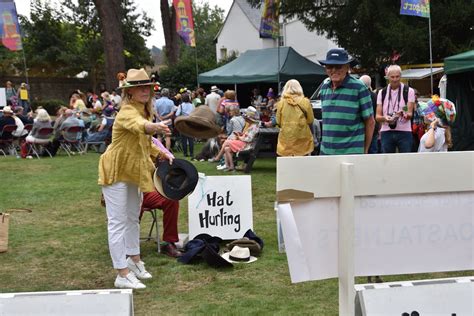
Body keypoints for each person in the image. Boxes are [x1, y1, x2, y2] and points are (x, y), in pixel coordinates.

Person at [98, 68, 172, 290]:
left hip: (133, 172)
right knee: (117, 222)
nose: (144, 90)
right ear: (129, 92)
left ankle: (135, 260)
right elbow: (140, 127)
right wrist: (154, 127)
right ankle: (121, 273)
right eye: (138, 87)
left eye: (146, 87)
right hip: (116, 171)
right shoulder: (127, 112)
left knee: (132, 218)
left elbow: (145, 142)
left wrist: (163, 153)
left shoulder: (144, 111)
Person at [318, 48, 375, 155]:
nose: (334, 70)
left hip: (351, 152)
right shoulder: (324, 87)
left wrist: (365, 149)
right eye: (330, 66)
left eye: (338, 66)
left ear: (347, 68)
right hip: (326, 152)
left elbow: (370, 122)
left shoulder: (359, 87)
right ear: (325, 68)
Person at [375, 65, 415, 153]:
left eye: (397, 76)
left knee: (405, 159)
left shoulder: (409, 91)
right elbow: (377, 116)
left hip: (404, 131)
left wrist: (402, 114)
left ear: (401, 76)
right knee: (387, 160)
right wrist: (385, 118)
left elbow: (409, 114)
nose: (395, 79)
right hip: (386, 131)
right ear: (387, 77)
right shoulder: (382, 92)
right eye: (392, 77)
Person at [212, 106, 260, 172]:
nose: (245, 119)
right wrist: (240, 135)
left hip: (247, 145)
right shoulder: (251, 125)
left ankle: (218, 157)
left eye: (246, 118)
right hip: (245, 143)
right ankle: (230, 166)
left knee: (227, 142)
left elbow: (249, 139)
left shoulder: (254, 127)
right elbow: (247, 136)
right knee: (227, 149)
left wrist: (239, 137)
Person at [275, 79, 314, 156]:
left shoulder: (281, 103)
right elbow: (310, 120)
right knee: (302, 164)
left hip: (286, 140)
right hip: (302, 139)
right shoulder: (306, 101)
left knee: (287, 165)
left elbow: (278, 121)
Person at [360, 75, 380, 154]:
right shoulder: (375, 96)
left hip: (362, 128)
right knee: (372, 152)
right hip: (374, 128)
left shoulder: (360, 94)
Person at [175, 93, 195, 158]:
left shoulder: (181, 106)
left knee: (184, 139)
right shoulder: (192, 105)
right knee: (191, 139)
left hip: (183, 123)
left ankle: (185, 153)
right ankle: (191, 153)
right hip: (191, 123)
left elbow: (177, 114)